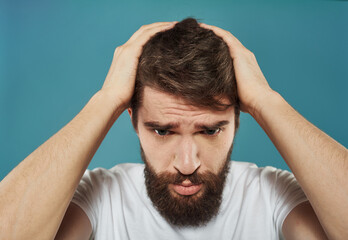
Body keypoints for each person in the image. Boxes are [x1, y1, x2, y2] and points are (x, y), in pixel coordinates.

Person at [0, 17, 347, 240]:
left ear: (238, 121)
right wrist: (105, 101)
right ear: (133, 119)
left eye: (210, 130)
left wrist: (266, 100)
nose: (186, 163)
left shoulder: (272, 195)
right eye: (163, 131)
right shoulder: (100, 197)